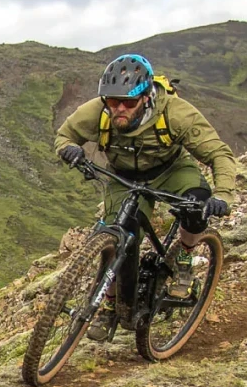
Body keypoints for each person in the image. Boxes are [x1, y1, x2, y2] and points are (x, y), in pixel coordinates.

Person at [53, 54, 236, 339]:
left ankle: (185, 260)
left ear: (147, 97)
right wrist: (68, 149)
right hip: (124, 176)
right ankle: (110, 307)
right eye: (113, 102)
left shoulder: (176, 113)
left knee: (195, 207)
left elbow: (218, 153)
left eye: (129, 102)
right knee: (117, 236)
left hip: (171, 170)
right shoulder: (97, 112)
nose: (119, 109)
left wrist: (222, 195)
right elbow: (65, 134)